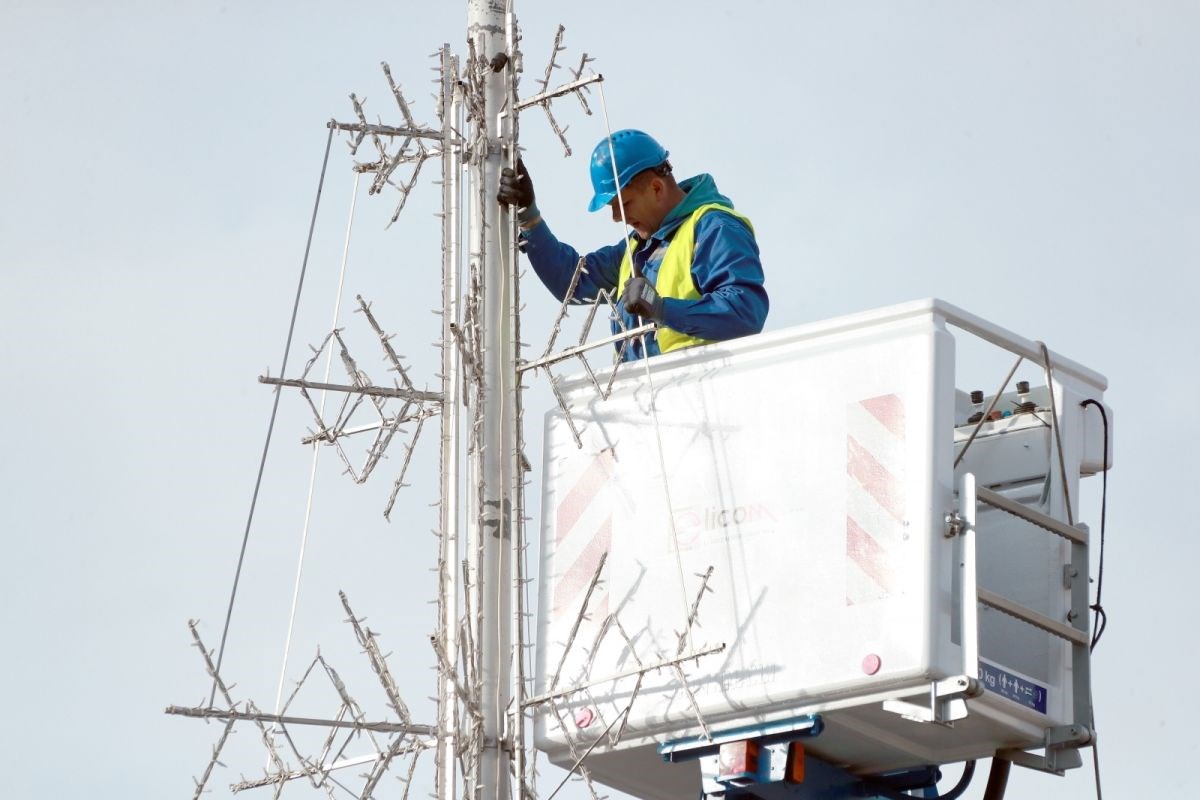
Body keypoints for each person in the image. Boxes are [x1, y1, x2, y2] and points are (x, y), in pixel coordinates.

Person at [498, 129, 768, 361]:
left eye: (623, 205)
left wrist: (663, 309)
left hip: (707, 398)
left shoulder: (713, 228)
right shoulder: (634, 250)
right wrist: (529, 217)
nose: (617, 218)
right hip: (644, 403)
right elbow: (572, 283)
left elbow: (745, 312)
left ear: (657, 188)